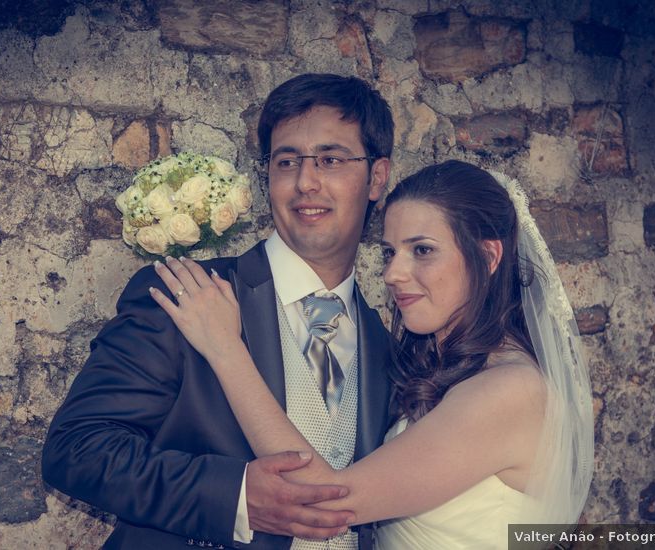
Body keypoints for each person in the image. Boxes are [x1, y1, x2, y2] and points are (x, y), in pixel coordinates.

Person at [150, 160, 595, 549]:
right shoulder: (449, 370)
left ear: (489, 255)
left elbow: (327, 499)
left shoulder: (508, 390)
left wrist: (226, 350)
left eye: (422, 250)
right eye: (389, 251)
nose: (393, 273)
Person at [41, 73, 396, 549]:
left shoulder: (388, 343)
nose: (305, 182)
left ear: (376, 177)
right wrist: (234, 497)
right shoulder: (183, 293)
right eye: (286, 160)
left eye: (330, 160)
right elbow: (76, 449)